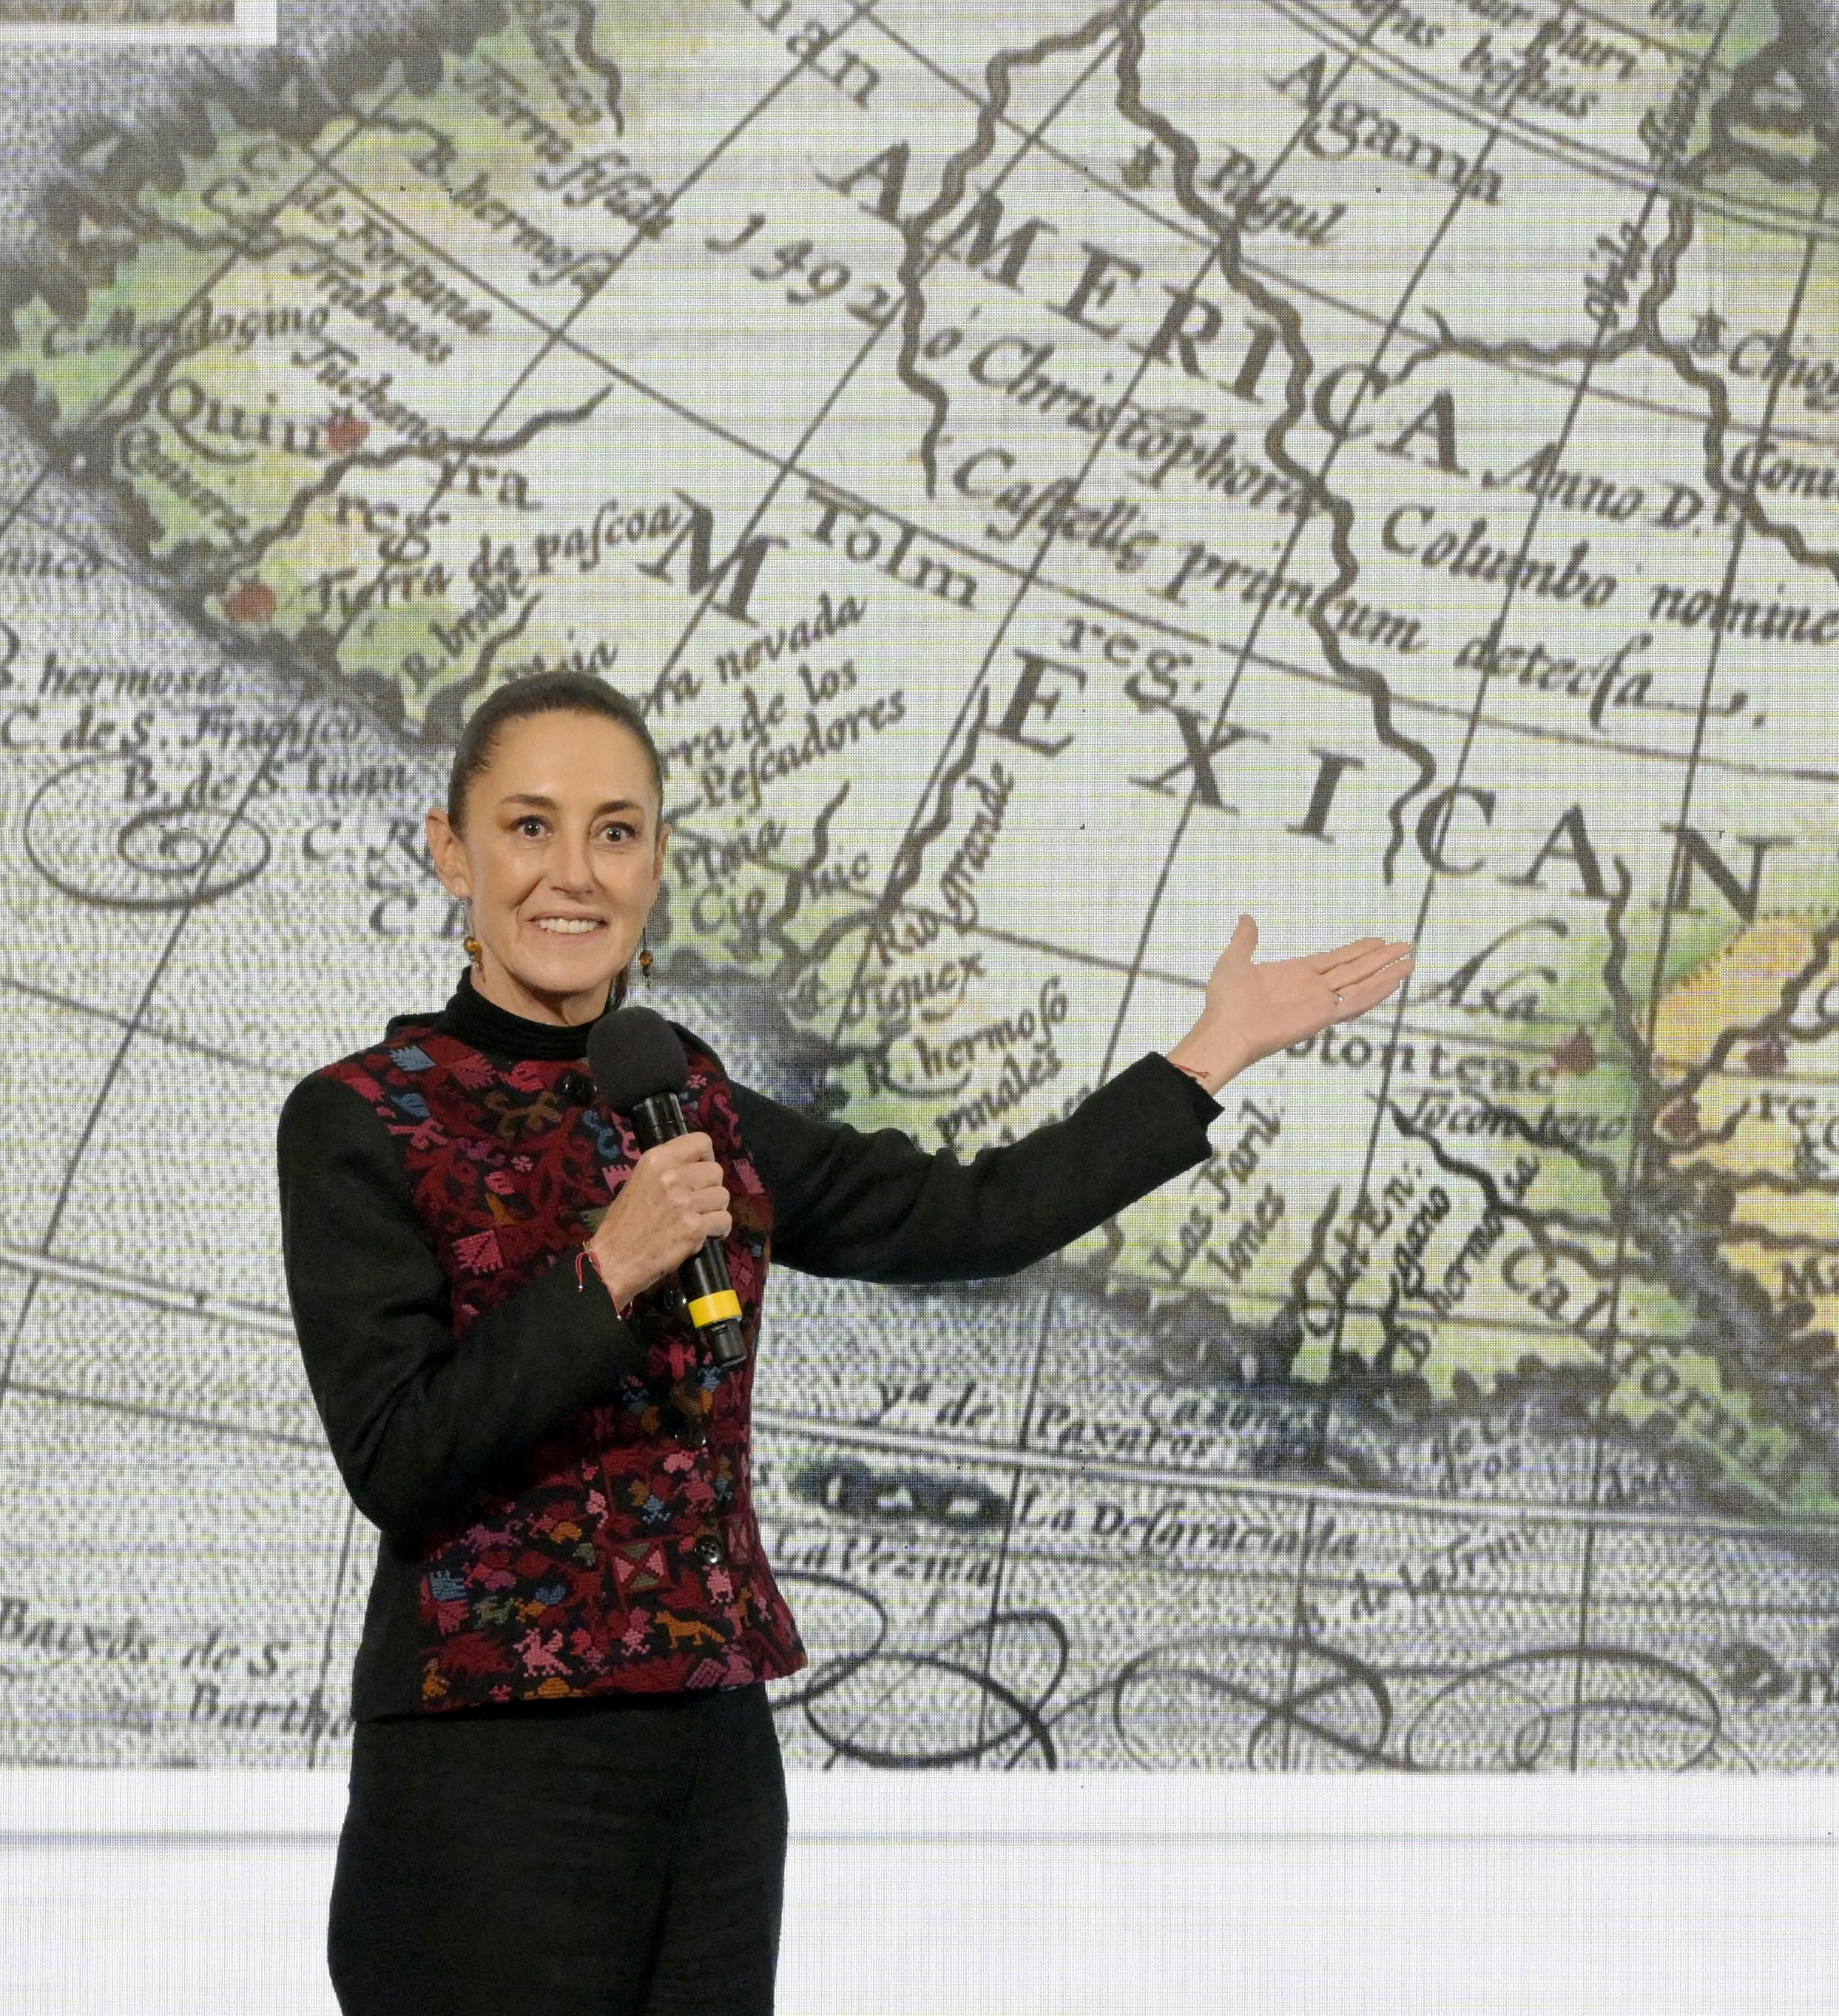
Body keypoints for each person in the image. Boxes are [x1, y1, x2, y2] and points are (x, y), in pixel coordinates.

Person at [277, 669, 1409, 2015]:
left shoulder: (682, 1093)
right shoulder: (362, 1117)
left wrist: (1209, 1054)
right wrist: (610, 1267)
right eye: (530, 827)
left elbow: (965, 1218)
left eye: (617, 830)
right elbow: (400, 1458)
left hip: (711, 1750)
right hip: (488, 1770)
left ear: (656, 861)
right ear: (450, 849)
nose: (573, 872)